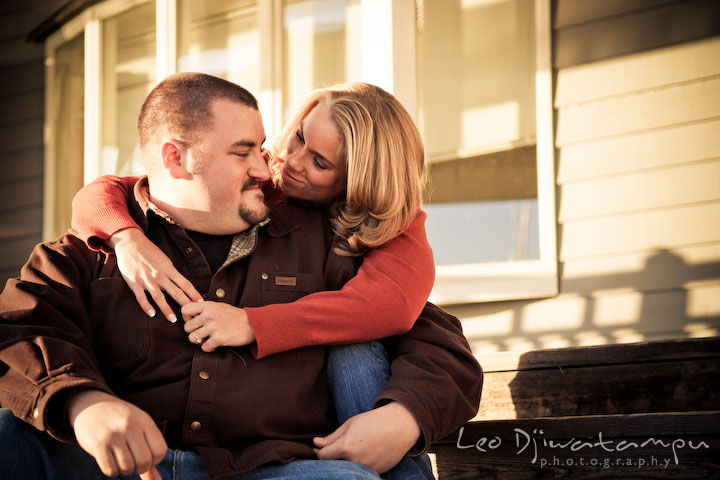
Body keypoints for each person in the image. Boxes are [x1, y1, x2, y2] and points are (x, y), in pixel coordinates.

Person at [0, 73, 482, 480]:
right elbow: (23, 325)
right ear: (176, 158)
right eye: (244, 151)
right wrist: (84, 403)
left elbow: (431, 339)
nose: (272, 165)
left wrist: (403, 417)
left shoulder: (333, 243)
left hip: (267, 468)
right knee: (13, 437)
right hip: (121, 466)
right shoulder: (97, 245)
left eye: (316, 161)